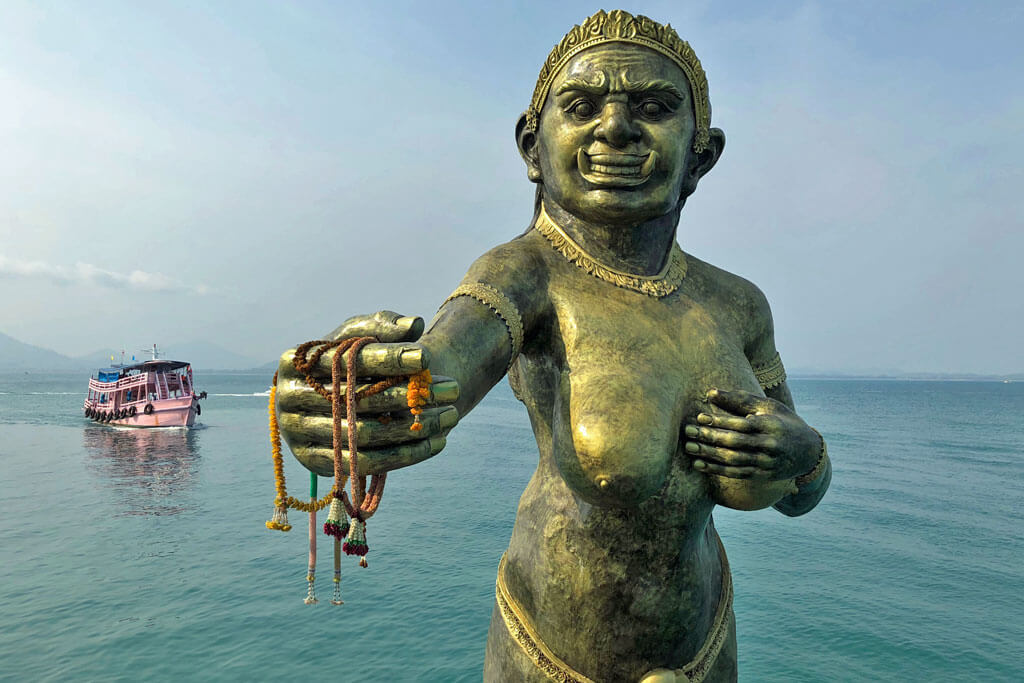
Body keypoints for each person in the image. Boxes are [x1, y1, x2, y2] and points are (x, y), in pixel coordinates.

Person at [275, 10, 830, 682]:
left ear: (701, 153)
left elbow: (800, 490)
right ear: (533, 146)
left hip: (705, 650)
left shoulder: (737, 303)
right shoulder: (527, 273)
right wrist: (355, 393)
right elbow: (443, 368)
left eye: (652, 106)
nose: (616, 128)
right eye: (583, 105)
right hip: (553, 656)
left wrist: (805, 452)